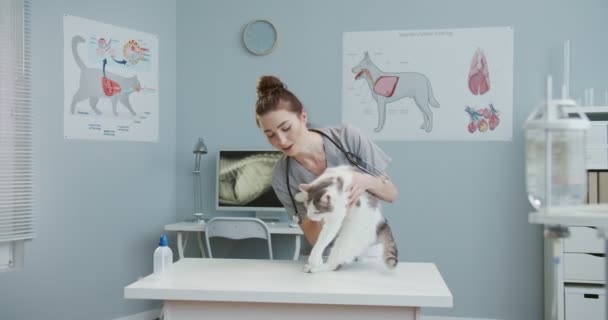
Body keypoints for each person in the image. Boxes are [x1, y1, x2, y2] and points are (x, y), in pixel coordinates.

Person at [254, 75, 398, 247]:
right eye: (270, 135)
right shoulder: (282, 176)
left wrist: (363, 180)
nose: (282, 141)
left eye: (286, 128)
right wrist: (326, 206)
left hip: (370, 249)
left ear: (303, 117)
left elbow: (391, 193)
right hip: (327, 255)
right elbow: (313, 238)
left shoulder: (346, 138)